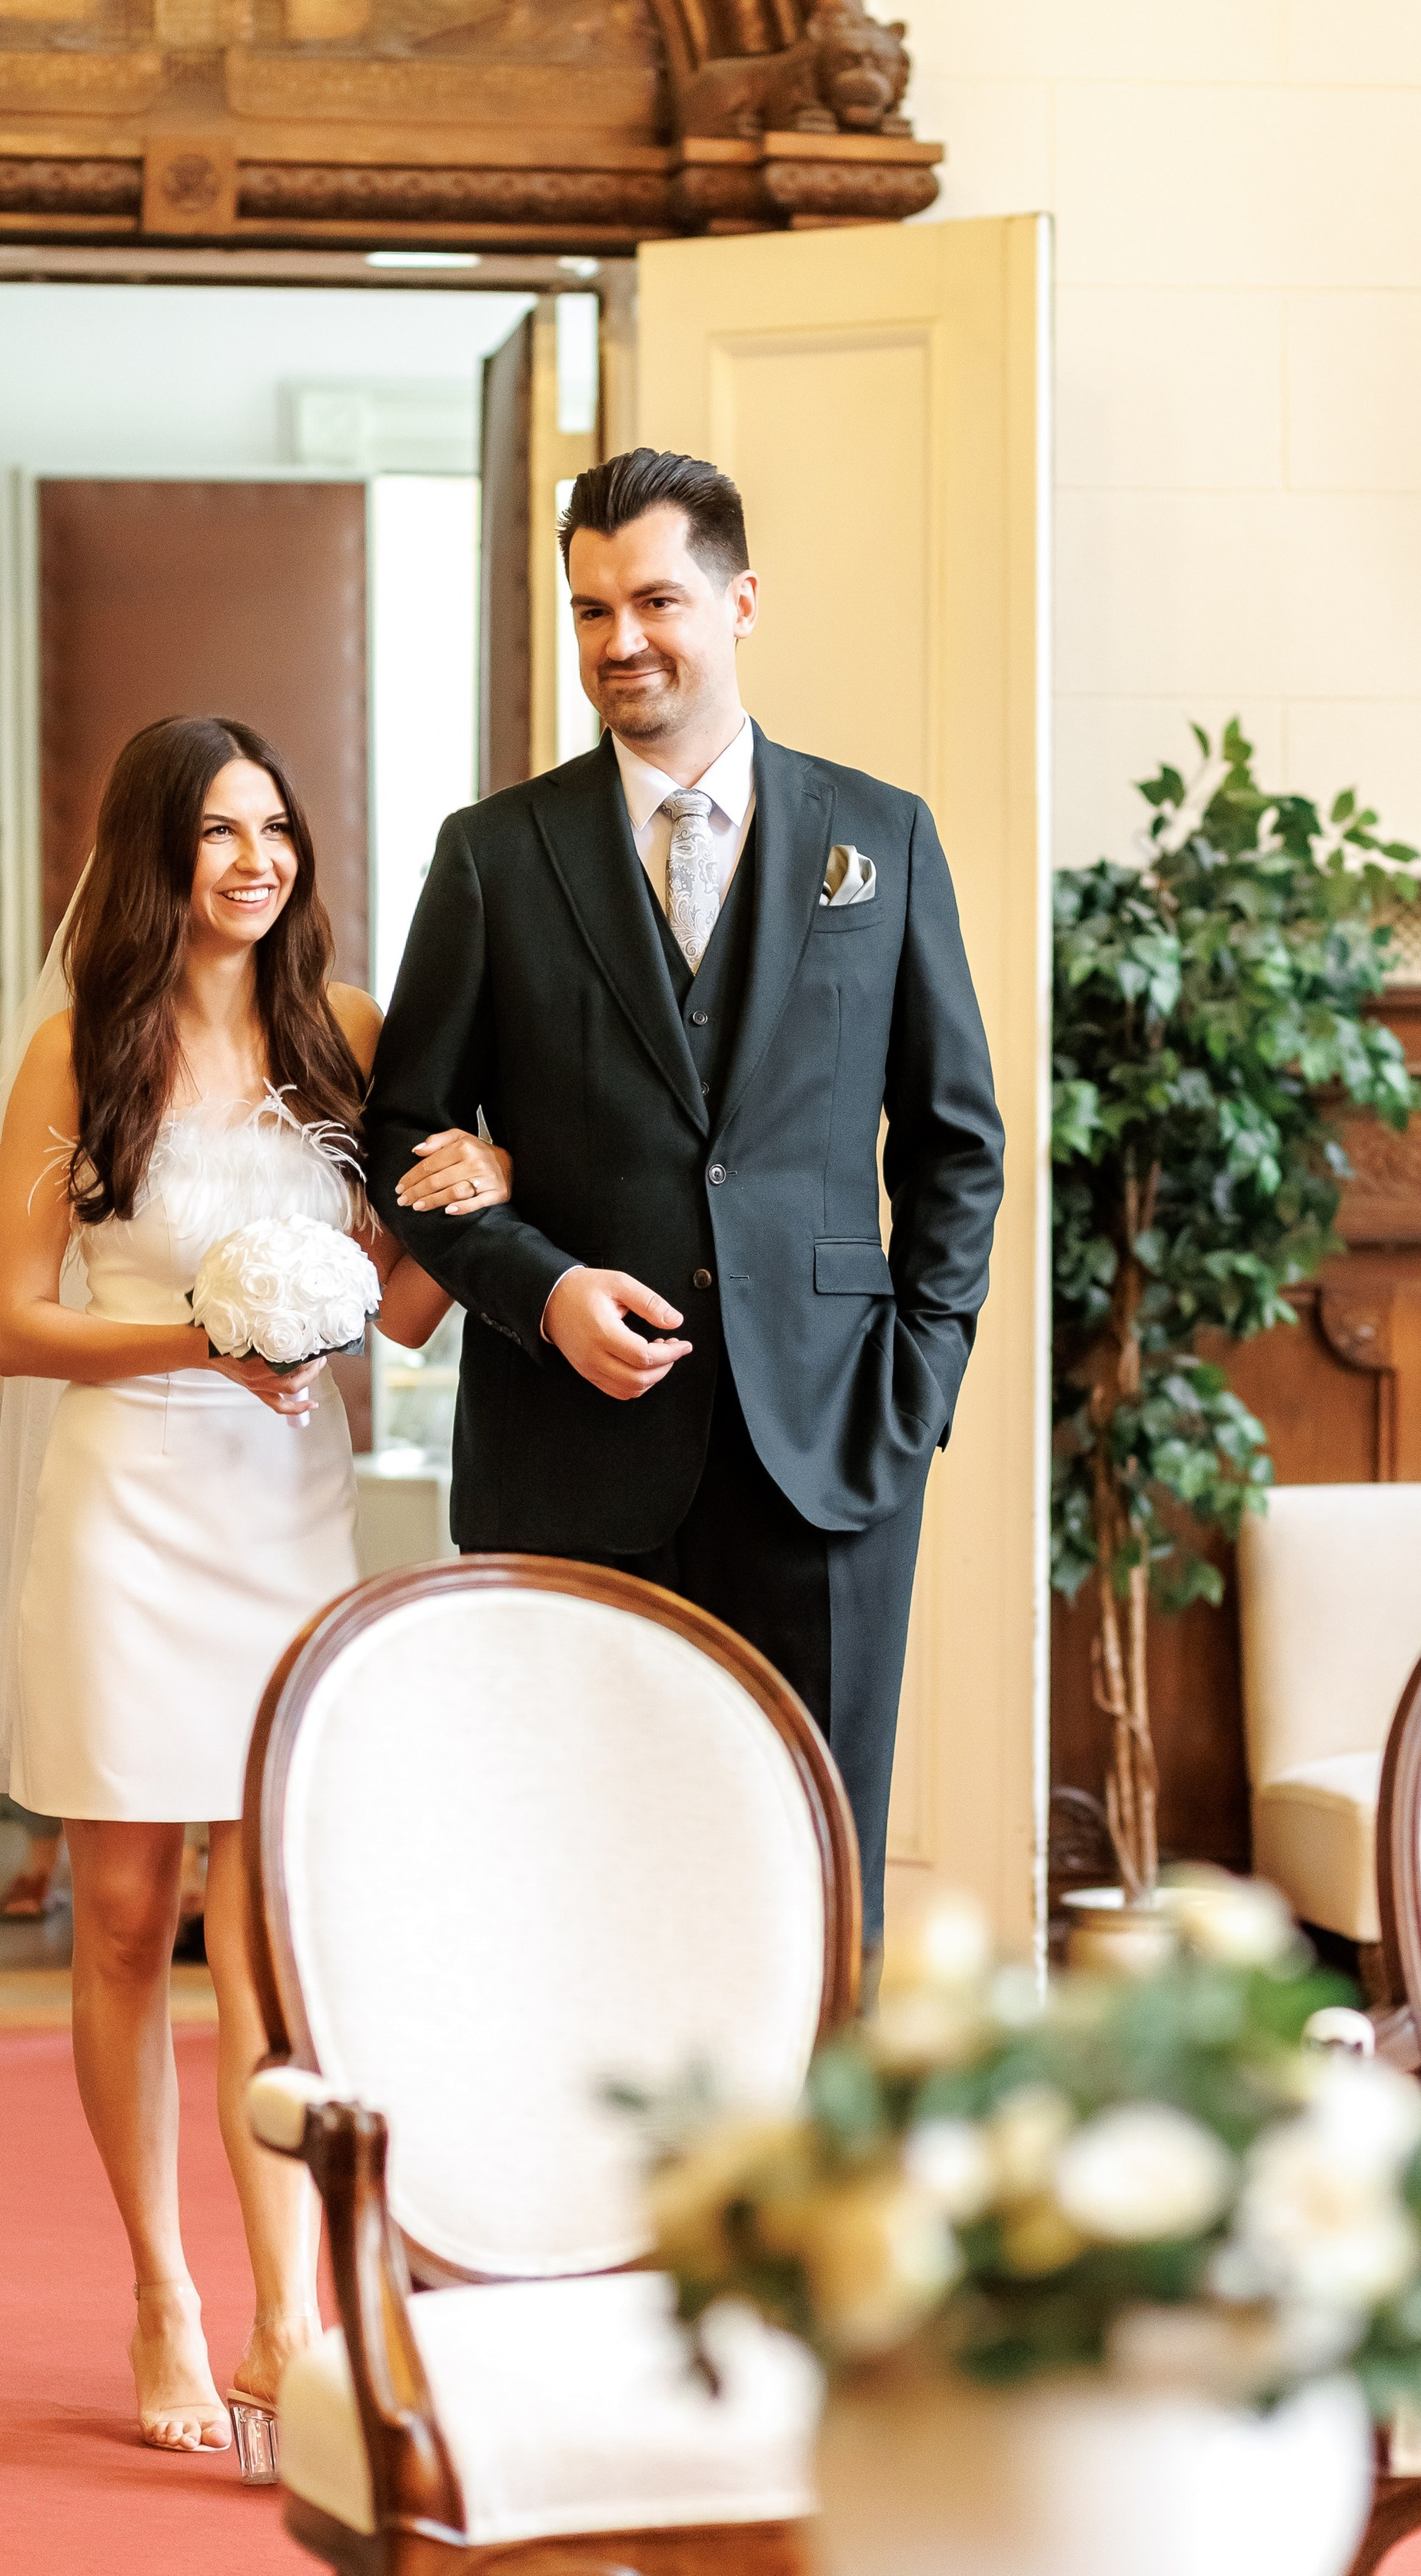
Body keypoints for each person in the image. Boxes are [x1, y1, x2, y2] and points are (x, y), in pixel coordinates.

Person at [0, 714, 509, 2454]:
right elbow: (21, 1326)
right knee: (121, 1917)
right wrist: (208, 1333)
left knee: (261, 1924)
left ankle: (289, 2314)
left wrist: (467, 1201)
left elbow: (395, 1310)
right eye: (215, 834)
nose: (255, 861)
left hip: (284, 1515)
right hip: (121, 1516)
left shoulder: (347, 1037)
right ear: (151, 858)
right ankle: (159, 2293)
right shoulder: (69, 1056)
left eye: (275, 829)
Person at [365, 449, 1004, 1951]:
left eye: (654, 600)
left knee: (813, 1860)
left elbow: (955, 1139)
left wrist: (914, 1380)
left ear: (738, 602)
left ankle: (805, 2183)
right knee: (585, 1865)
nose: (619, 641)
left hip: (833, 1440)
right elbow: (404, 1129)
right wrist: (536, 1289)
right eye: (589, 610)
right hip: (566, 1453)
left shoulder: (881, 836)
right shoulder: (491, 856)